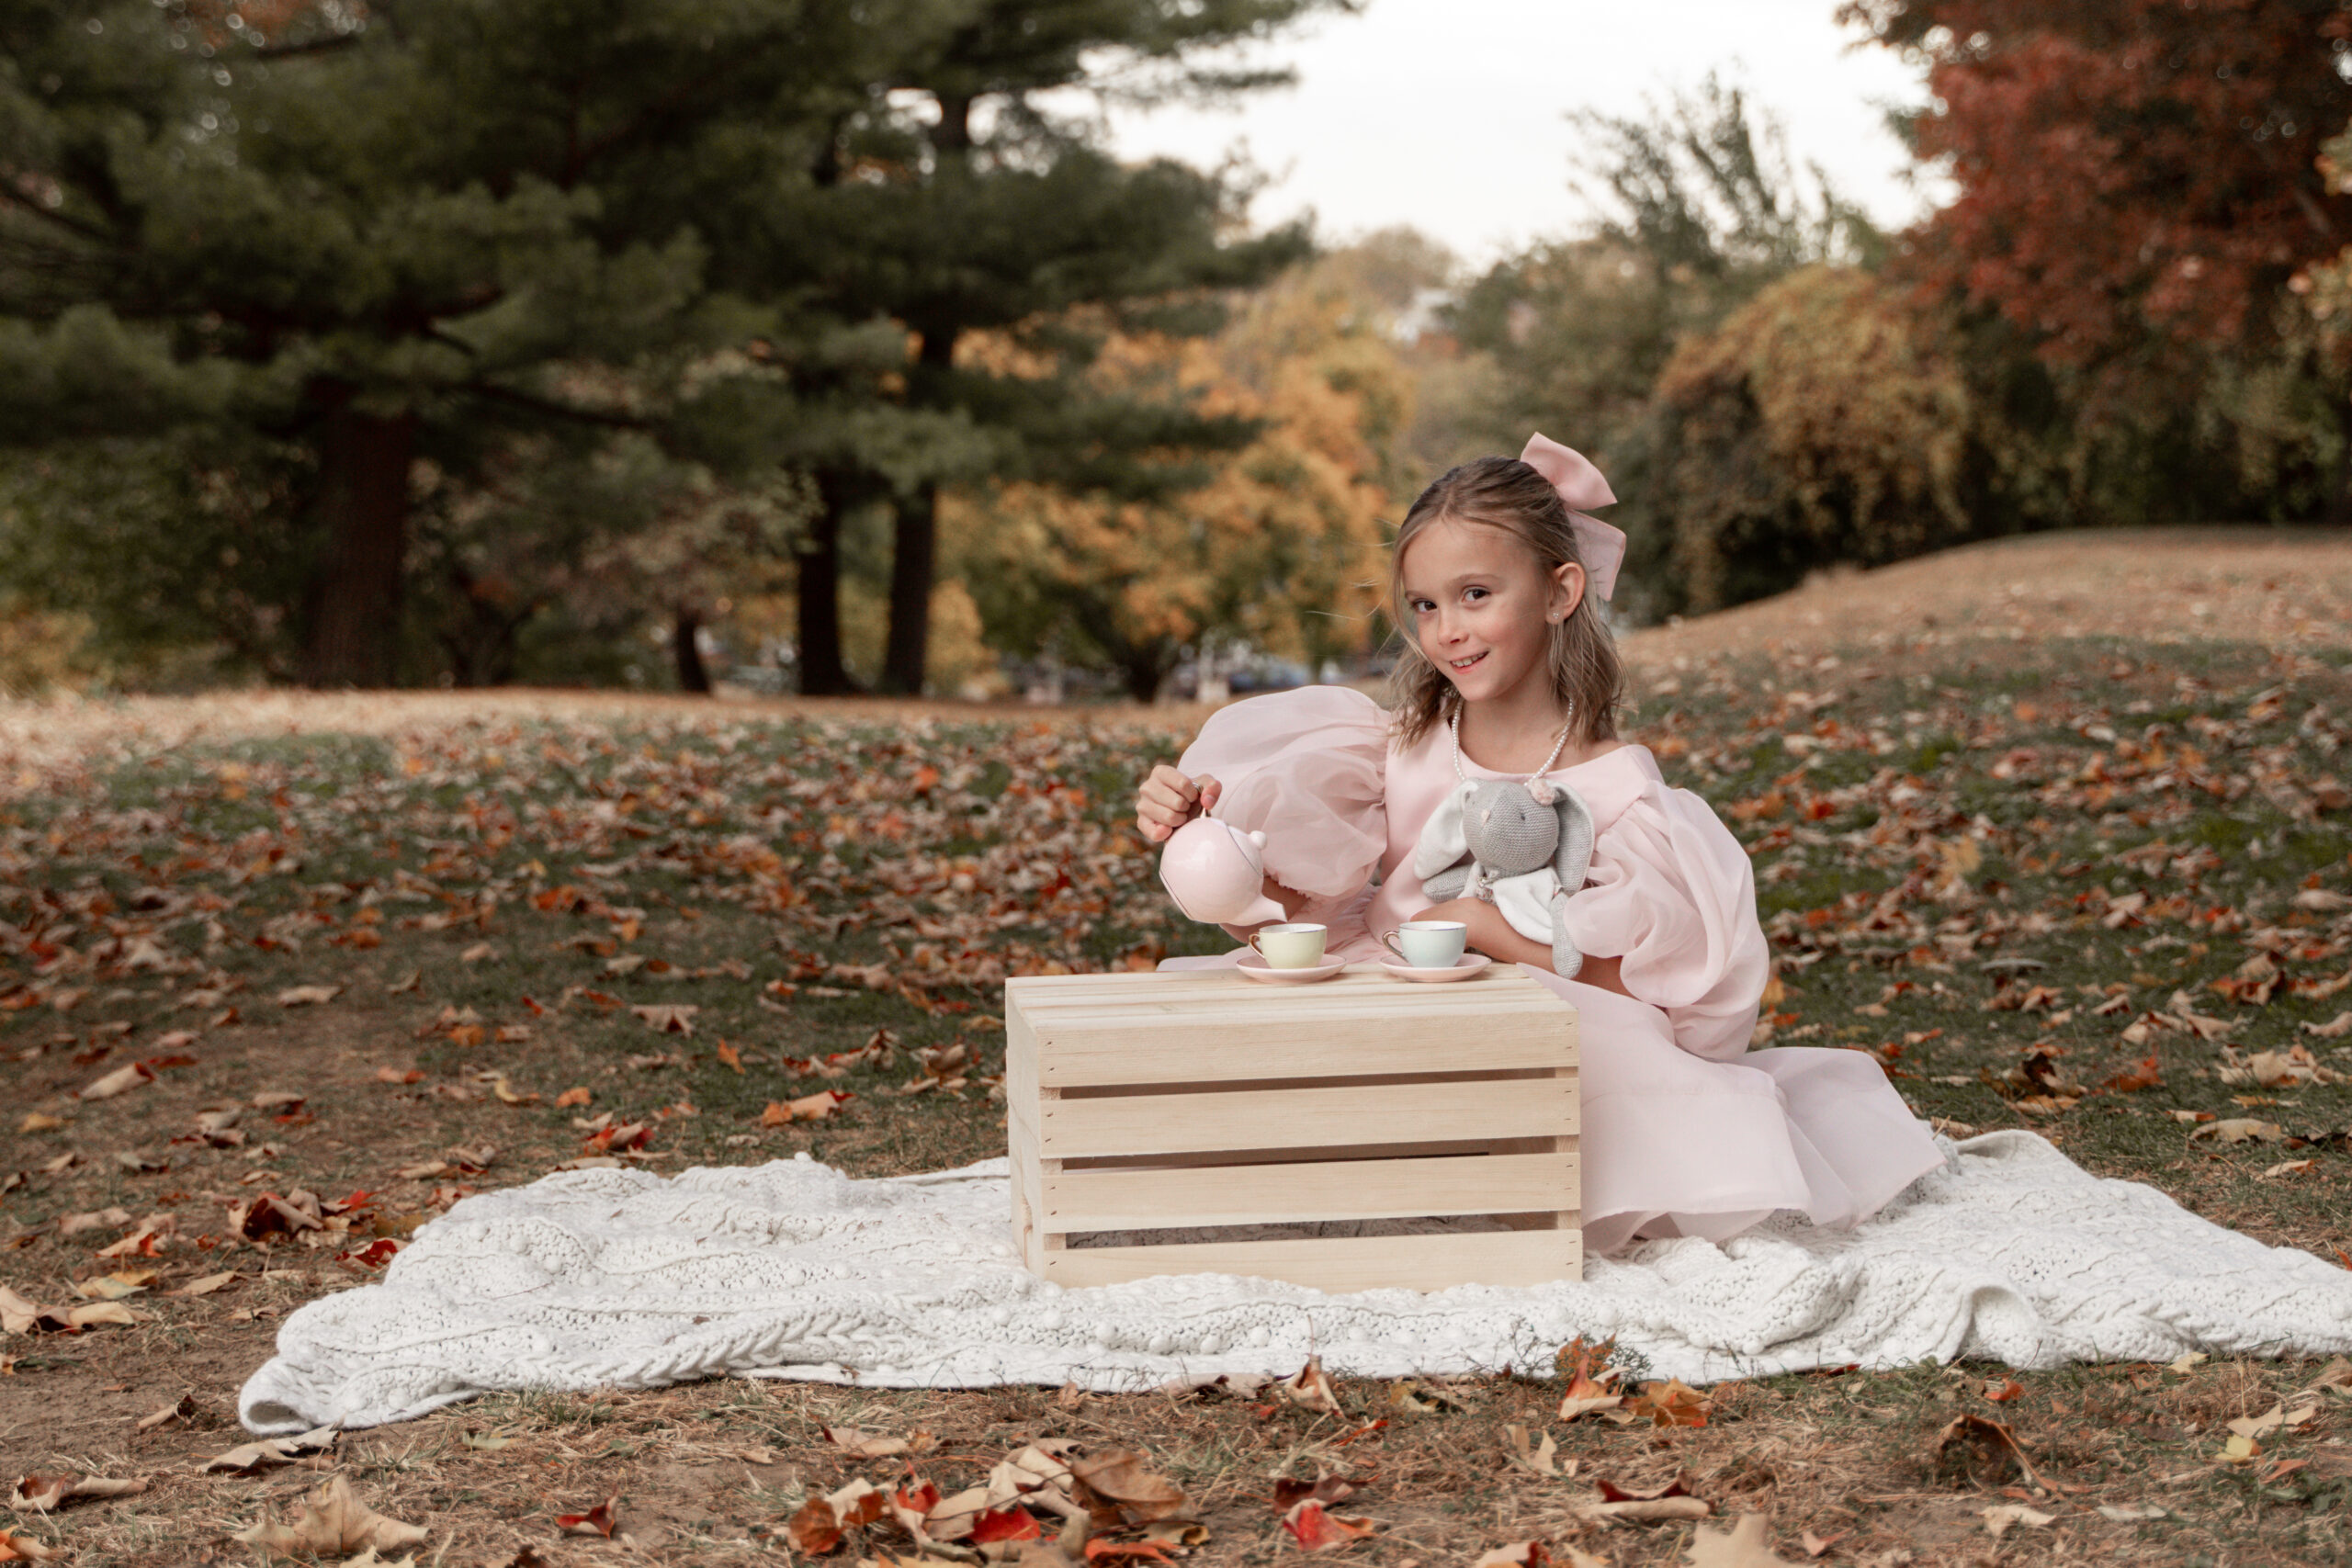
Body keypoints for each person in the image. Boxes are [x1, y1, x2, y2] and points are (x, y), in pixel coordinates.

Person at [1133, 435, 1945, 1256]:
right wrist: (1209, 847)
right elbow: (1294, 920)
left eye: (1476, 594)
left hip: (1546, 1037)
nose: (1448, 630)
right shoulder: (1394, 751)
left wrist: (1489, 932)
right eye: (1424, 605)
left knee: (1606, 1073)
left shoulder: (1616, 791)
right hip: (1398, 1000)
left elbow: (1650, 995)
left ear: (1560, 591)